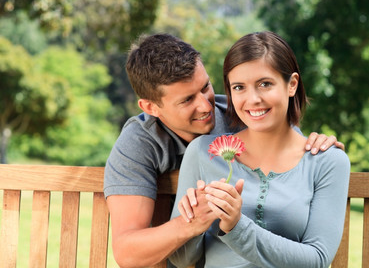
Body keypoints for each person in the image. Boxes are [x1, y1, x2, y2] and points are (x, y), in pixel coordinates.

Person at [103, 33, 343, 267]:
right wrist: (190, 223)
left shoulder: (242, 111)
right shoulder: (139, 144)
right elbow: (127, 251)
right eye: (187, 100)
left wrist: (320, 148)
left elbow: (284, 138)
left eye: (205, 86)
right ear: (151, 107)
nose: (206, 105)